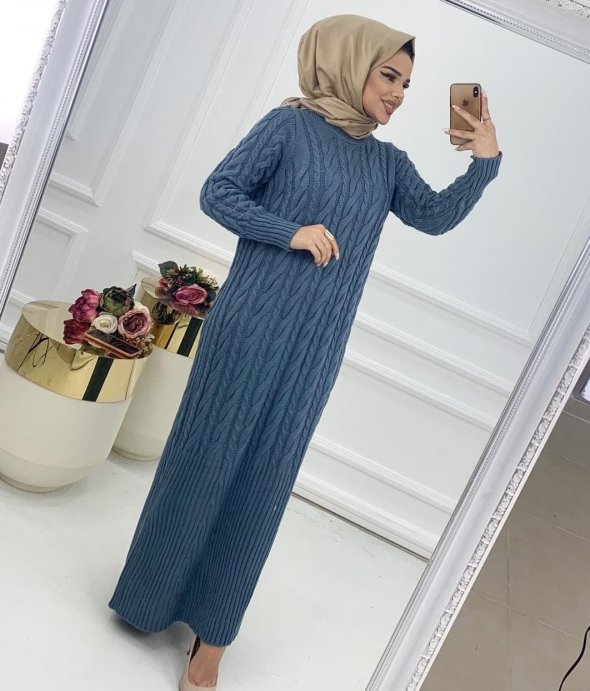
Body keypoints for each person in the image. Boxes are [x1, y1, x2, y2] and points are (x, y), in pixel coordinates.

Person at [108, 13, 502, 690]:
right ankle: (150, 597)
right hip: (247, 331)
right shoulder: (287, 127)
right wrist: (287, 231)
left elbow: (435, 216)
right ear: (346, 63)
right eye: (389, 75)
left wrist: (484, 160)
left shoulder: (387, 163)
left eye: (408, 84)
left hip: (314, 352)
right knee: (203, 460)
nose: (399, 93)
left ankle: (214, 637)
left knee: (265, 483)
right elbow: (218, 192)